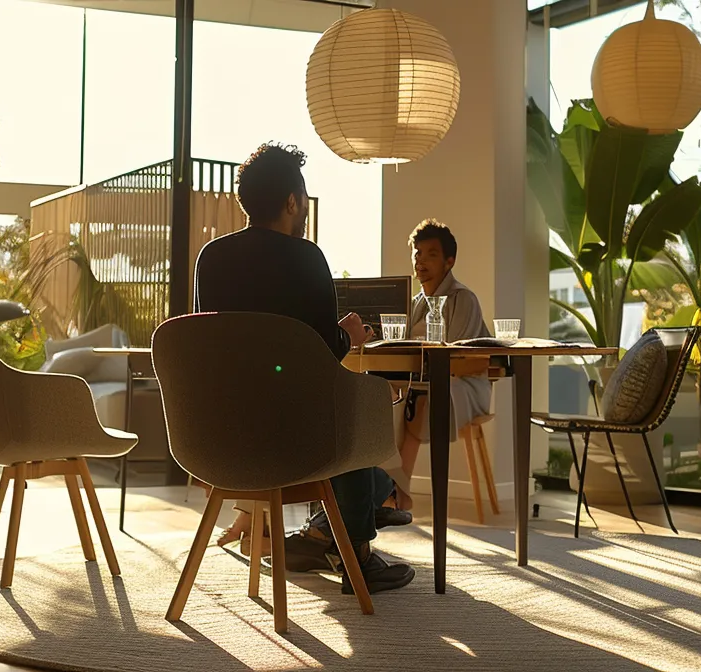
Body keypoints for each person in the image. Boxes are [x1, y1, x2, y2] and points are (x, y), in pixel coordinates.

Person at [193, 142, 415, 594]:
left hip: (220, 437)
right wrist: (348, 336)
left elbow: (213, 348)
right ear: (292, 201)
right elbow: (321, 358)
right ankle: (358, 546)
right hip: (297, 444)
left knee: (334, 408)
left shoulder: (210, 259)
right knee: (353, 399)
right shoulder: (306, 258)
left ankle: (360, 505)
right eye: (303, 199)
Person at [389, 220, 492, 511]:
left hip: (467, 386)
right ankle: (382, 490)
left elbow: (461, 359)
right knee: (379, 395)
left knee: (416, 401)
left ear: (449, 261)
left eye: (430, 254)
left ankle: (397, 493)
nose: (420, 260)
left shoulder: (464, 299)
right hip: (424, 382)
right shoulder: (414, 303)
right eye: (417, 252)